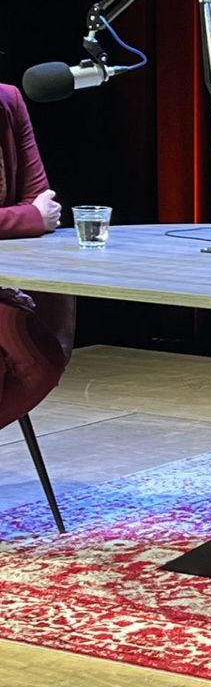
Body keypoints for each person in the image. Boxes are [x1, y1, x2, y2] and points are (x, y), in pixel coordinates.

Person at [0, 82, 69, 428]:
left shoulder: (8, 100)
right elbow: (35, 213)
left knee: (38, 356)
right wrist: (26, 218)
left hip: (5, 279)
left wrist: (33, 216)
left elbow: (42, 199)